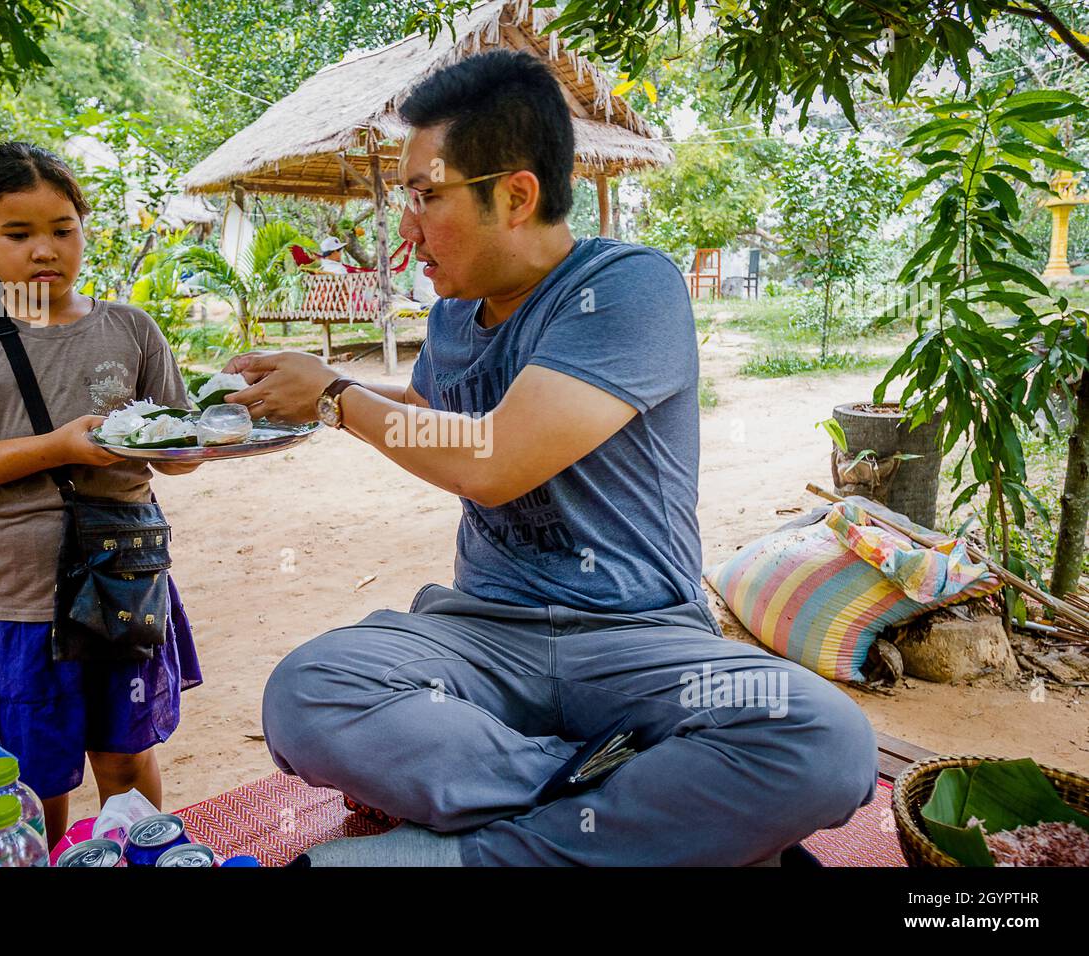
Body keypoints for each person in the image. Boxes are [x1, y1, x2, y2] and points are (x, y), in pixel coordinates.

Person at [223, 50, 878, 866]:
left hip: (641, 641)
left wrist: (334, 398)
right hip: (483, 638)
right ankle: (631, 802)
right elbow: (432, 417)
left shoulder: (630, 288)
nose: (406, 225)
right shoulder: (456, 316)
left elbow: (493, 459)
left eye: (425, 195)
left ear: (517, 194)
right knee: (309, 690)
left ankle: (461, 853)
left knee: (822, 740)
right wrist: (312, 394)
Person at [0, 142, 203, 847]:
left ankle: (138, 857)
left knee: (126, 757)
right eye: (19, 233)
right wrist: (57, 447)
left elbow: (181, 454)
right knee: (33, 780)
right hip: (20, 600)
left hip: (123, 581)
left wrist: (203, 432)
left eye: (63, 229)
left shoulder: (130, 327)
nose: (46, 251)